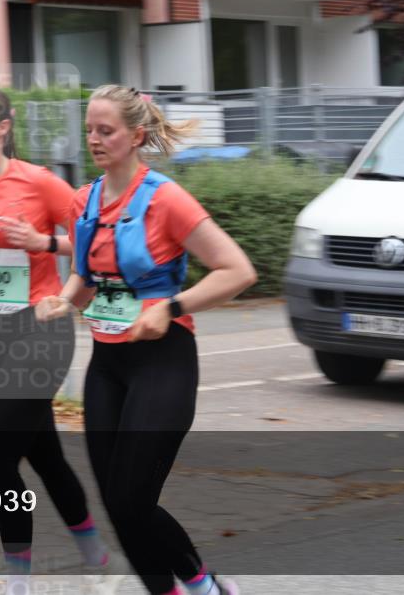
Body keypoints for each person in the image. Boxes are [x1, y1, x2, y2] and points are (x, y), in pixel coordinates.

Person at [36, 85, 257, 595]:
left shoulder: (166, 199)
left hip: (163, 363)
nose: (94, 139)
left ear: (135, 136)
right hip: (107, 366)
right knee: (117, 503)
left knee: (133, 497)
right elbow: (88, 277)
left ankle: (204, 586)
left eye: (106, 130)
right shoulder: (84, 200)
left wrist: (171, 308)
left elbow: (238, 270)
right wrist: (64, 300)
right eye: (89, 129)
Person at [0, 87, 114, 595]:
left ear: (2, 127)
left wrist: (43, 243)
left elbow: (98, 241)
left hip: (43, 329)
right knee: (43, 453)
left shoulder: (38, 183)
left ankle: (18, 579)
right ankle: (95, 555)